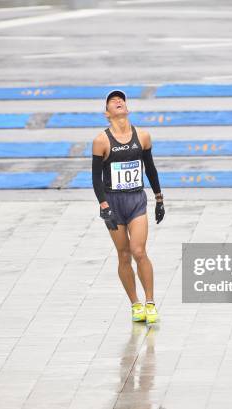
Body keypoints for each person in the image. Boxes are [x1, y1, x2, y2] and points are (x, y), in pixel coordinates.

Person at [91, 90, 165, 324]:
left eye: (121, 100)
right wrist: (104, 206)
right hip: (113, 201)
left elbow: (150, 169)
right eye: (113, 101)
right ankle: (135, 304)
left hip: (136, 200)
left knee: (139, 251)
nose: (118, 101)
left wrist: (159, 199)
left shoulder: (142, 136)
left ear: (127, 108)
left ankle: (150, 302)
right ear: (107, 113)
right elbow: (95, 178)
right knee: (123, 255)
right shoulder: (101, 141)